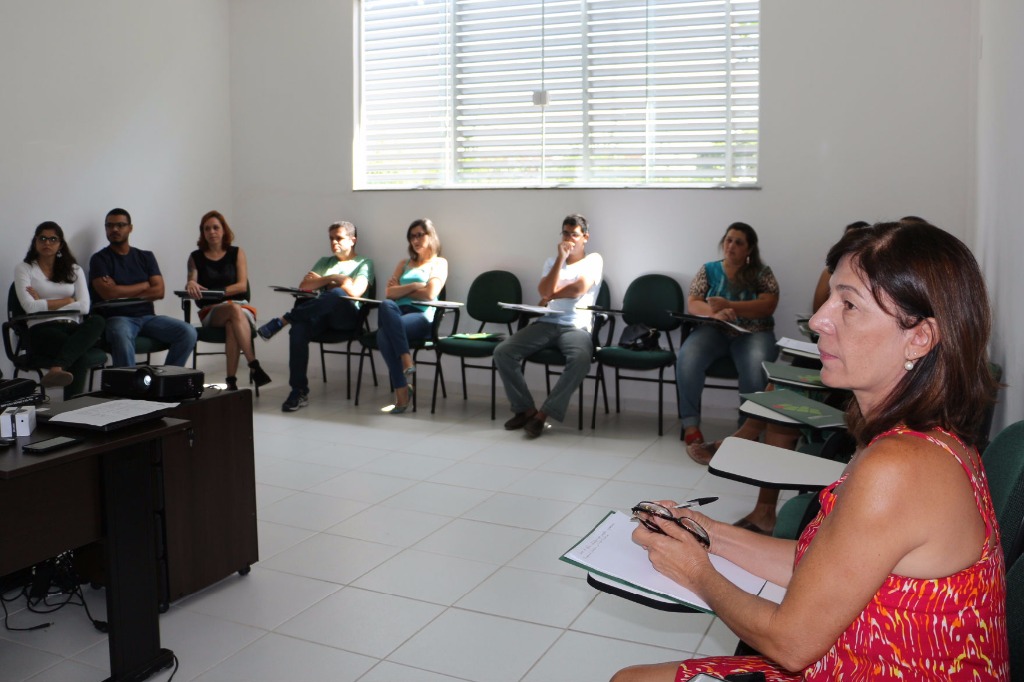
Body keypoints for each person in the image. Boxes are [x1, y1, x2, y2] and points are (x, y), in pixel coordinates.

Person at [613, 221, 1008, 681]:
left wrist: (696, 571)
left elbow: (792, 644)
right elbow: (825, 563)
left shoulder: (900, 466)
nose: (820, 319)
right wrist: (707, 532)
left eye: (849, 304)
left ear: (919, 337)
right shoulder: (927, 438)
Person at [493, 214, 603, 438]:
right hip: (546, 322)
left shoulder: (594, 260)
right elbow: (542, 291)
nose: (569, 239)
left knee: (581, 358)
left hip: (576, 326)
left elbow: (578, 289)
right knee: (503, 351)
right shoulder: (552, 262)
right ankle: (526, 409)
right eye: (565, 233)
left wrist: (550, 294)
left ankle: (544, 415)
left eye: (575, 234)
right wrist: (560, 260)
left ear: (585, 237)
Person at [678, 222, 779, 462]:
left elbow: (767, 305)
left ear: (749, 249)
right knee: (687, 356)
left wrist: (730, 306)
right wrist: (716, 313)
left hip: (754, 333)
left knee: (756, 365)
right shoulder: (709, 269)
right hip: (715, 330)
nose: (731, 246)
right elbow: (694, 303)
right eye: (728, 240)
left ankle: (746, 432)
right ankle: (691, 426)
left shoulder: (762, 273)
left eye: (738, 242)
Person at [257, 221, 374, 412]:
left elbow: (355, 292)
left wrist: (331, 286)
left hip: (348, 318)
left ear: (353, 240)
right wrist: (333, 278)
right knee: (298, 330)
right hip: (320, 317)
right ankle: (298, 390)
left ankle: (283, 320)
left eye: (339, 238)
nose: (334, 242)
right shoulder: (325, 262)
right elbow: (305, 285)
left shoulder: (364, 263)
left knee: (337, 295)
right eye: (331, 238)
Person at [89, 208, 197, 367]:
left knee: (188, 332)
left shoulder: (145, 257)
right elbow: (109, 294)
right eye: (109, 226)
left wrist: (120, 289)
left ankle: (167, 380)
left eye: (120, 225)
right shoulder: (99, 259)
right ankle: (130, 388)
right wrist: (145, 285)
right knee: (121, 333)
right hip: (117, 319)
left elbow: (159, 291)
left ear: (130, 228)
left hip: (148, 318)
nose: (114, 229)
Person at [13, 221, 106, 397]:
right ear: (35, 242)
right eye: (42, 238)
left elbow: (85, 307)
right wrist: (69, 300)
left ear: (60, 244)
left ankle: (57, 368)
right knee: (81, 356)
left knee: (99, 321)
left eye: (53, 239)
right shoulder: (24, 269)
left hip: (72, 328)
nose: (47, 243)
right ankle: (72, 411)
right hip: (41, 329)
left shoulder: (74, 270)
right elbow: (30, 307)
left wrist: (44, 302)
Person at [185, 210, 270, 391]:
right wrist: (191, 282)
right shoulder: (195, 257)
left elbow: (241, 286)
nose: (212, 232)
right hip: (211, 311)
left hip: (240, 308)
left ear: (224, 230)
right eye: (207, 229)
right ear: (203, 233)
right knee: (233, 311)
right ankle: (254, 364)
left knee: (233, 320)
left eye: (216, 227)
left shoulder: (237, 253)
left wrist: (217, 292)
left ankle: (231, 381)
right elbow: (191, 279)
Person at [375, 218, 447, 414]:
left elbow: (430, 294)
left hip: (421, 316)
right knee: (387, 305)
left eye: (419, 235)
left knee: (383, 335)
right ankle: (406, 359)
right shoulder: (403, 263)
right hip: (397, 313)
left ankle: (402, 390)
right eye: (411, 237)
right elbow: (389, 294)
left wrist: (402, 290)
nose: (415, 240)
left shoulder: (439, 263)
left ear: (431, 236)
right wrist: (416, 286)